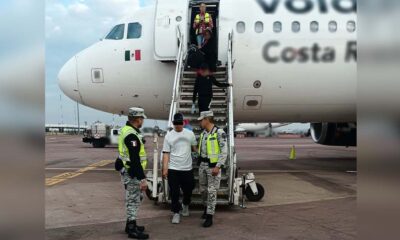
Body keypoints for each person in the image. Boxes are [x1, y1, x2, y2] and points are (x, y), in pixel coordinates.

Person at [114, 107, 149, 239]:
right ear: (138, 119)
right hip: (132, 172)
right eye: (142, 118)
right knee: (133, 200)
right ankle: (131, 228)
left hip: (128, 170)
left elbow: (123, 152)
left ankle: (130, 223)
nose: (143, 121)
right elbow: (135, 160)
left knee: (134, 198)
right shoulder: (132, 135)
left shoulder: (126, 130)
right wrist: (142, 179)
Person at [162, 113, 197, 224]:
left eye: (179, 123)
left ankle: (185, 204)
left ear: (183, 123)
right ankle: (176, 213)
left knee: (189, 190)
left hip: (187, 169)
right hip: (173, 169)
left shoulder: (190, 134)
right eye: (176, 123)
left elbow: (194, 148)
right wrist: (165, 168)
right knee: (174, 193)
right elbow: (166, 153)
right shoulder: (168, 136)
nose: (178, 125)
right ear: (173, 123)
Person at [197, 111, 228, 228]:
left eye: (201, 120)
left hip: (213, 167)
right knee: (203, 190)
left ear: (207, 120)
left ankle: (210, 216)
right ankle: (206, 208)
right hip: (202, 166)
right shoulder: (203, 133)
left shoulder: (219, 132)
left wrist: (218, 166)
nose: (200, 122)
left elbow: (224, 151)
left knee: (211, 191)